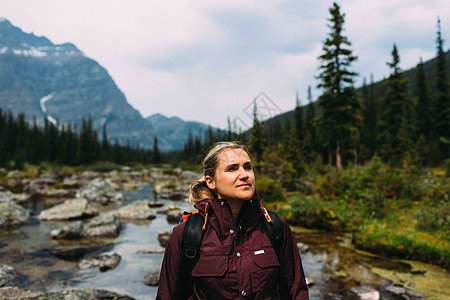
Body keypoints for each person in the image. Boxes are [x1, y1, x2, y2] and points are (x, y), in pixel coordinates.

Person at [156, 142, 309, 299]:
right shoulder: (188, 234)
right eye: (232, 169)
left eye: (248, 167)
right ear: (211, 181)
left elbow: (296, 292)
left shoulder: (275, 227)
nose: (244, 175)